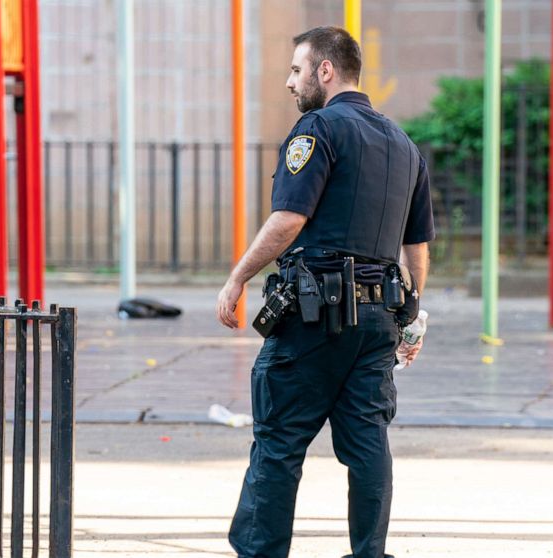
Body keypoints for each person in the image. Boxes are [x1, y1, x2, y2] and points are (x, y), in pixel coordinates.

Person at [215, 26, 434, 558]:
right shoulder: (404, 145)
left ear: (325, 70)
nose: (290, 82)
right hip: (378, 321)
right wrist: (411, 316)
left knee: (279, 442)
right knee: (367, 446)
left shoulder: (317, 129)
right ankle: (369, 552)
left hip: (315, 319)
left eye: (296, 69)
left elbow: (289, 218)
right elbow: (418, 251)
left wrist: (238, 276)